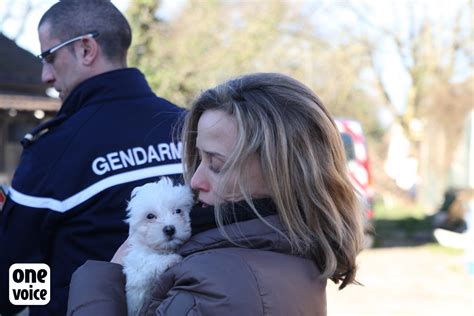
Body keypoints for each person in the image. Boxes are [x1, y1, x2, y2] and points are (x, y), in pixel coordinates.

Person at [67, 73, 364, 315]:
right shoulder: (289, 252)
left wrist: (108, 276)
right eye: (198, 160)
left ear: (280, 176)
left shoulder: (216, 288)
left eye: (217, 165)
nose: (194, 181)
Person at [0, 1, 184, 315]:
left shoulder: (54, 150)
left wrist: (36, 308)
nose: (45, 75)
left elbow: (16, 270)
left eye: (49, 57)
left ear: (86, 49)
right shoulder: (190, 128)